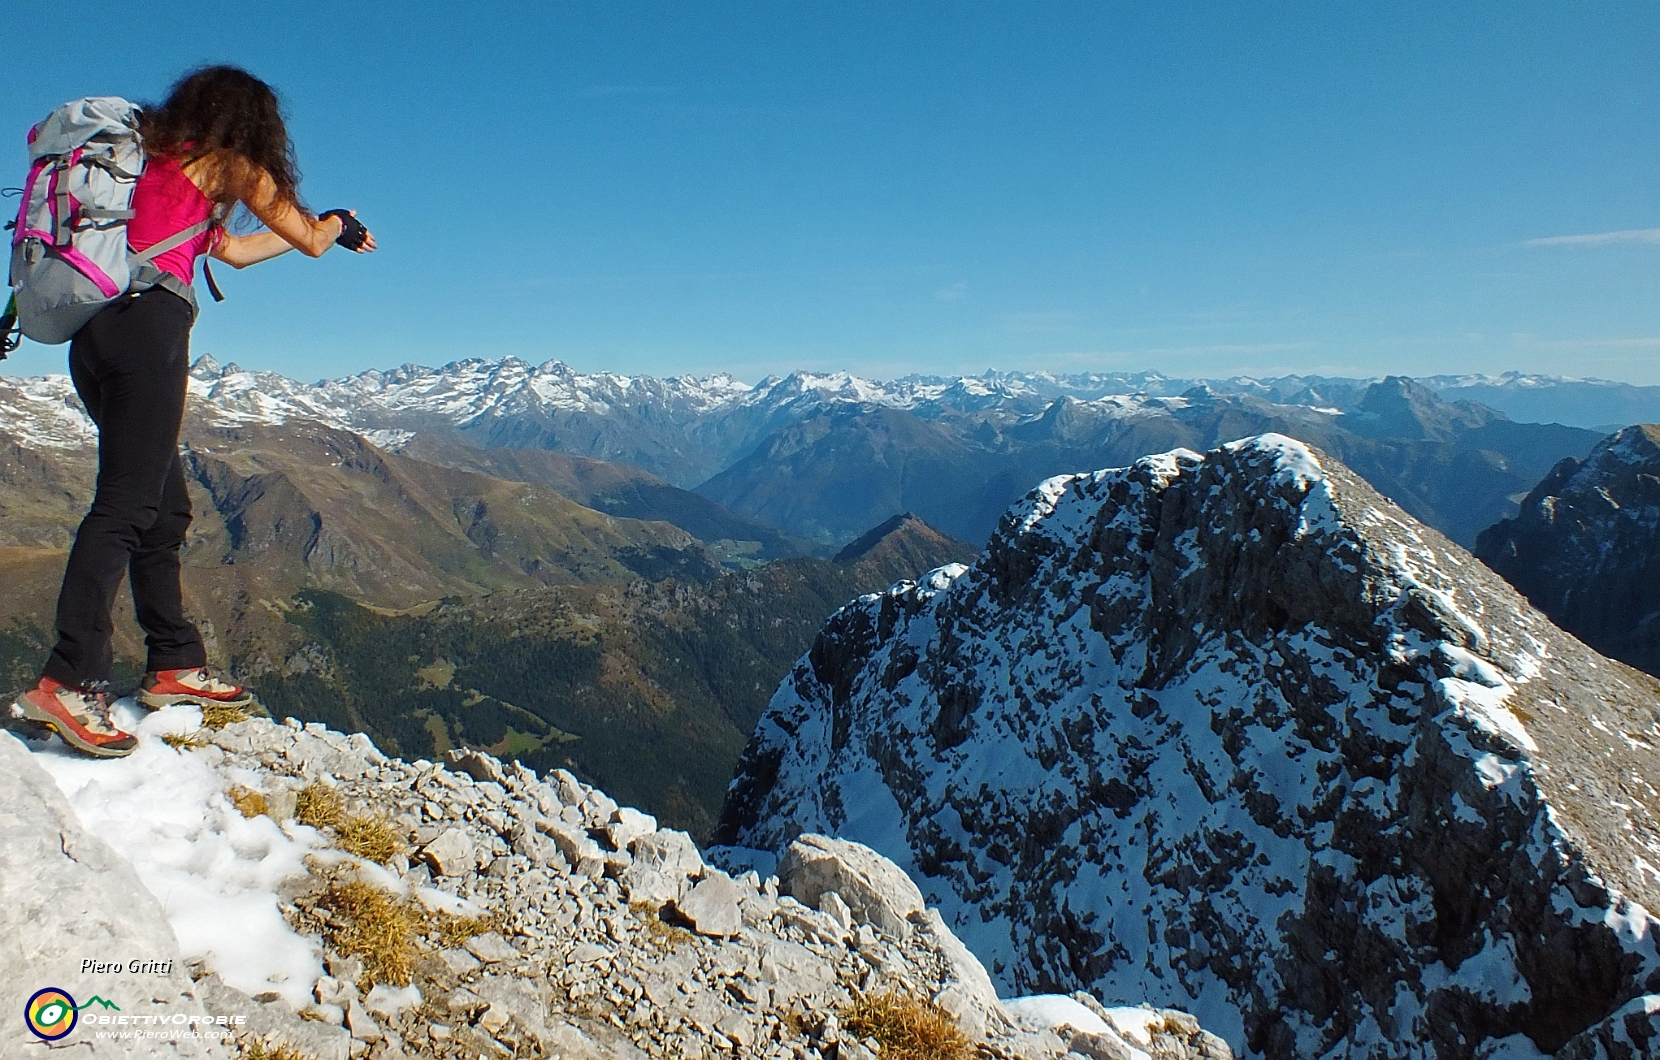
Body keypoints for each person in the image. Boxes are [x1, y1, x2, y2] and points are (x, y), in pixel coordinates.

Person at [9, 66, 375, 757]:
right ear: (252, 123)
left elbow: (233, 252)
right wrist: (338, 223)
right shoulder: (231, 163)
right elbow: (305, 237)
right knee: (124, 505)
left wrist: (317, 231)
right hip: (148, 331)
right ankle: (69, 677)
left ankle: (173, 660)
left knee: (163, 504)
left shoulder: (151, 166)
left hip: (93, 338)